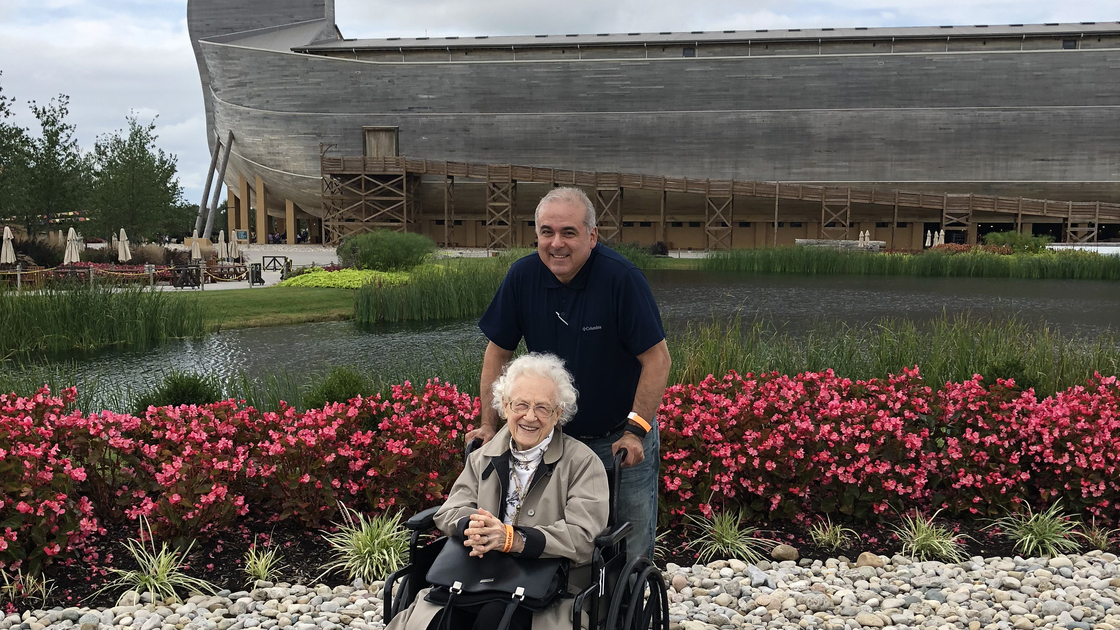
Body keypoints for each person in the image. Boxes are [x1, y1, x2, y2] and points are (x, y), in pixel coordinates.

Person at [470, 187, 671, 561]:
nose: (556, 243)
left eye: (569, 232)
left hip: (617, 438)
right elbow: (497, 352)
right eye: (547, 232)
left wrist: (635, 431)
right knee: (564, 542)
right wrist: (488, 424)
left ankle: (626, 612)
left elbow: (658, 360)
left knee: (630, 542)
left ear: (592, 236)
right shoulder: (523, 276)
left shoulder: (621, 279)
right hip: (554, 441)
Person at [386, 353, 609, 630]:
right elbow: (452, 510)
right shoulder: (483, 458)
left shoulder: (583, 463)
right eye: (521, 405)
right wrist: (473, 526)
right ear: (504, 406)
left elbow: (585, 536)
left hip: (550, 585)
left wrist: (515, 540)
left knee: (496, 620)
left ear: (558, 414)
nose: (530, 416)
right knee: (444, 622)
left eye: (542, 408)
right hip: (474, 574)